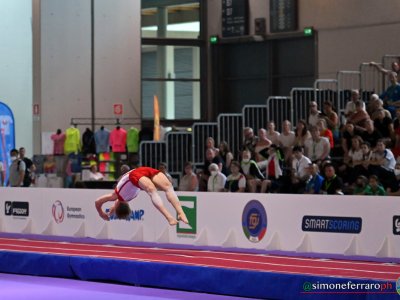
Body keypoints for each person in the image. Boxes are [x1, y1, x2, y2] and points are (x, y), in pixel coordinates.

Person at [95, 166, 189, 225]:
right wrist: (104, 212)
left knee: (153, 191)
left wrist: (102, 214)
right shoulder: (119, 196)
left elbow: (100, 202)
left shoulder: (119, 196)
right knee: (168, 187)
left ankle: (170, 217)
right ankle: (181, 213)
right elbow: (100, 202)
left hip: (135, 175)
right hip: (142, 171)